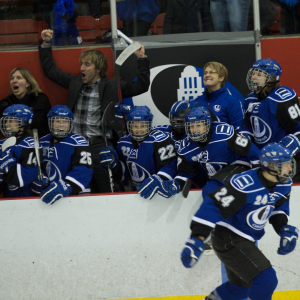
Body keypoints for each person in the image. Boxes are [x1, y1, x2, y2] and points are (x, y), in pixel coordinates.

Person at [180, 142, 298, 300]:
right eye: (284, 165)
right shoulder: (244, 185)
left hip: (244, 239)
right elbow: (213, 205)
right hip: (229, 237)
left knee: (240, 288)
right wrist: (197, 238)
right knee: (266, 280)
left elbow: (278, 208)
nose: (289, 169)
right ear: (269, 165)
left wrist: (283, 228)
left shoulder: (284, 184)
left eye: (289, 164)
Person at [39, 29, 150, 193]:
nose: (81, 67)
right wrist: (45, 44)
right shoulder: (75, 81)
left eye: (87, 64)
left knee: (105, 189)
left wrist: (141, 59)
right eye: (81, 64)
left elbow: (142, 86)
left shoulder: (113, 85)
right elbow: (50, 71)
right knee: (74, 188)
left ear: (98, 68)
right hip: (74, 145)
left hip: (100, 145)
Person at [100, 106, 180, 200]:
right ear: (129, 125)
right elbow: (122, 175)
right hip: (136, 195)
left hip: (160, 194)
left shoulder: (160, 140)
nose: (139, 130)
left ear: (149, 125)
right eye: (135, 126)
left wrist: (159, 179)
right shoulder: (123, 143)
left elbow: (171, 166)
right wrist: (113, 164)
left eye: (143, 125)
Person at [240, 58, 300, 180]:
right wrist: (251, 149)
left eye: (259, 74)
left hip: (286, 161)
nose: (254, 78)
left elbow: (298, 130)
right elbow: (246, 128)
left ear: (272, 78)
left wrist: (285, 149)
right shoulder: (250, 98)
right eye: (253, 74)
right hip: (263, 160)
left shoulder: (281, 98)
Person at [32, 105, 93, 205]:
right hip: (50, 195)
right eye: (57, 121)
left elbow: (84, 170)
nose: (61, 125)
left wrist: (66, 185)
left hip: (77, 196)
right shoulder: (42, 142)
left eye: (65, 121)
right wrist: (38, 178)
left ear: (70, 124)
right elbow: (39, 166)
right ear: (50, 123)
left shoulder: (79, 142)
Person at [0, 104, 40, 198]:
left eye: (11, 121)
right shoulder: (2, 143)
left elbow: (24, 178)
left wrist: (7, 166)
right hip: (7, 200)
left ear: (23, 122)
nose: (6, 124)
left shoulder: (31, 144)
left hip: (29, 200)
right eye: (6, 121)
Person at [0, 67, 52, 138]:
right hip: (14, 144)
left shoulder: (41, 100)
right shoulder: (6, 104)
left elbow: (50, 124)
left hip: (39, 143)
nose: (14, 80)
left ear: (27, 83)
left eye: (19, 78)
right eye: (12, 78)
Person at [192, 62, 244, 130]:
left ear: (221, 78)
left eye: (211, 72)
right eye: (205, 73)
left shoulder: (232, 102)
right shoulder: (197, 101)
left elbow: (238, 130)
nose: (207, 75)